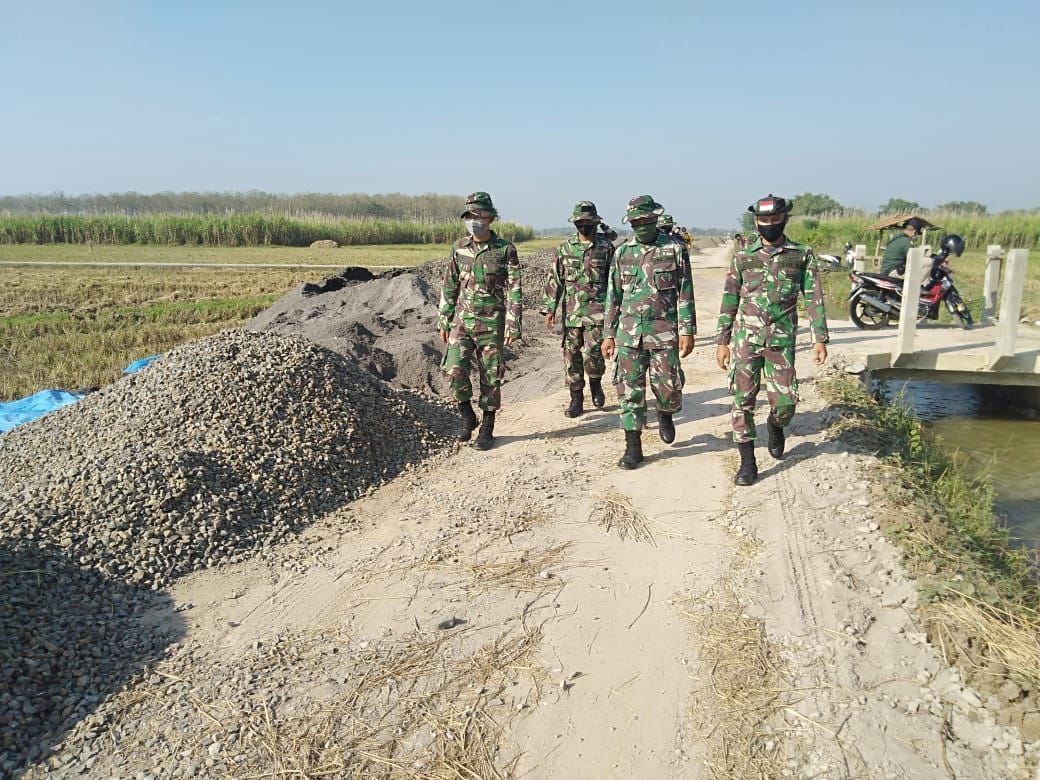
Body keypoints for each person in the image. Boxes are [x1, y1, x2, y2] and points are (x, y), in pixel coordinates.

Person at [716, 194, 828, 486]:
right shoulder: (743, 255)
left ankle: (776, 426)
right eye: (763, 221)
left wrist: (820, 338)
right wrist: (722, 340)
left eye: (774, 220)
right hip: (745, 341)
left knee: (785, 403)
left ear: (785, 219)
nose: (769, 225)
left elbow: (813, 297)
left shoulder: (800, 254)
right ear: (756, 221)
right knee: (743, 401)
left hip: (780, 341)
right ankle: (747, 463)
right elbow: (729, 299)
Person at [602, 195, 696, 470]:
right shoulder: (622, 253)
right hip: (629, 335)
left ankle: (665, 412)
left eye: (645, 220)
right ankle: (633, 446)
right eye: (636, 221)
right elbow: (613, 296)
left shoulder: (674, 250)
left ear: (655, 218)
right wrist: (608, 334)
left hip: (664, 332)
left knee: (669, 389)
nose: (641, 225)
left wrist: (687, 330)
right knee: (628, 391)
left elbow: (685, 293)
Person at [437, 192, 522, 450]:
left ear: (491, 218)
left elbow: (515, 288)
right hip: (462, 322)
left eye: (480, 216)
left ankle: (487, 426)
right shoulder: (458, 247)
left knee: (491, 376)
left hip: (491, 324)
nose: (475, 220)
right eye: (470, 216)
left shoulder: (505, 250)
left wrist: (513, 322)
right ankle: (466, 414)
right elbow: (450, 284)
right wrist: (444, 319)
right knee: (453, 369)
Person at [542, 201, 616, 417]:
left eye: (588, 222)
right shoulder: (565, 248)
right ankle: (576, 398)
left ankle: (595, 383)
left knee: (595, 354)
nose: (584, 226)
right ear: (575, 224)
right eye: (580, 223)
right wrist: (550, 308)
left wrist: (616, 312)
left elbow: (614, 281)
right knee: (571, 356)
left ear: (595, 223)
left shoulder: (605, 247)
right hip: (572, 314)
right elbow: (555, 279)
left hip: (598, 313)